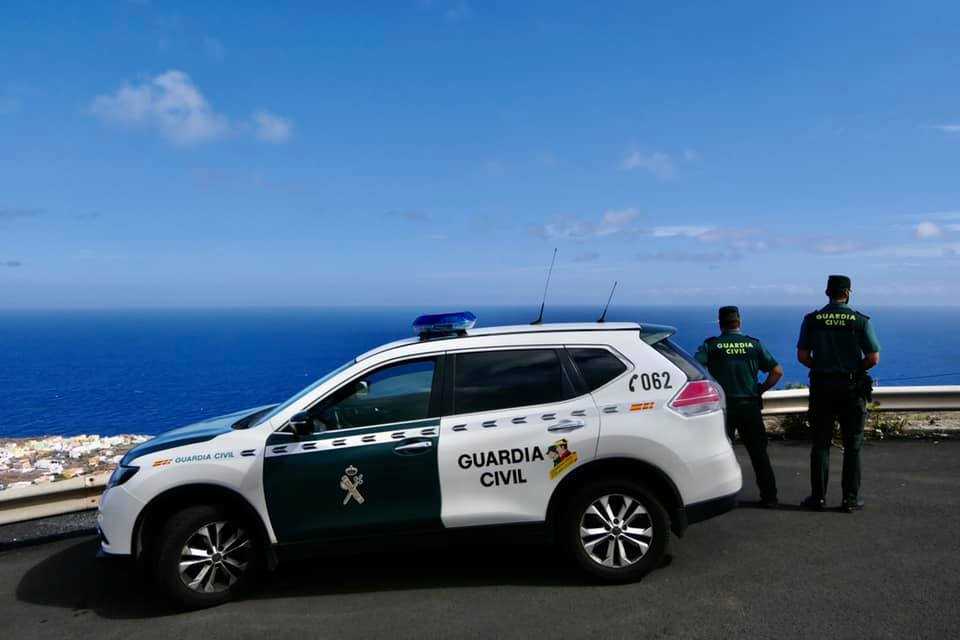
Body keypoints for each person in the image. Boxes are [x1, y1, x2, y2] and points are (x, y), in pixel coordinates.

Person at [797, 275, 881, 513]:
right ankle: (850, 500)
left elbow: (803, 356)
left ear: (827, 292)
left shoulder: (812, 320)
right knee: (853, 445)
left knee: (820, 444)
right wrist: (854, 369)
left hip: (822, 387)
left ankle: (818, 498)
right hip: (851, 389)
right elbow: (873, 358)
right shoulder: (859, 321)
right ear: (848, 293)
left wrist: (822, 366)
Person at [696, 306, 783, 507]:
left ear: (720, 323)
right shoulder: (753, 345)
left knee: (717, 452)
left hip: (724, 408)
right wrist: (760, 389)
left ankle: (715, 499)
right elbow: (777, 371)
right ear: (739, 322)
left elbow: (696, 368)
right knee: (759, 454)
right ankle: (769, 496)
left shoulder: (712, 346)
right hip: (750, 406)